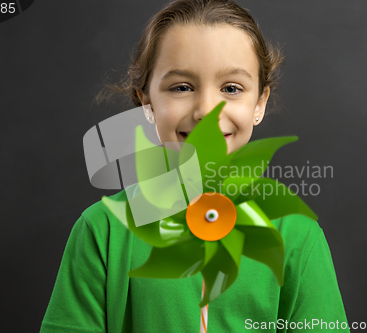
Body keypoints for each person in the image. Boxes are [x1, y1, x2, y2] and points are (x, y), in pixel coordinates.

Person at [39, 0, 350, 332]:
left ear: (260, 103)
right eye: (181, 88)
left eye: (231, 88)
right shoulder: (102, 231)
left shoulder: (297, 236)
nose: (206, 110)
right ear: (147, 102)